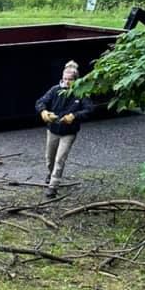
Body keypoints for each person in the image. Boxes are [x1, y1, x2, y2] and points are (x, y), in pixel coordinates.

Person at [35, 60, 93, 198]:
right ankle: (50, 174)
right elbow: (40, 102)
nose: (67, 82)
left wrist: (74, 116)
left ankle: (53, 187)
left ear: (76, 80)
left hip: (69, 132)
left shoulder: (81, 93)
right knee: (49, 158)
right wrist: (43, 112)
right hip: (53, 129)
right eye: (65, 79)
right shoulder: (55, 90)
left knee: (60, 159)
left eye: (70, 79)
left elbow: (90, 109)